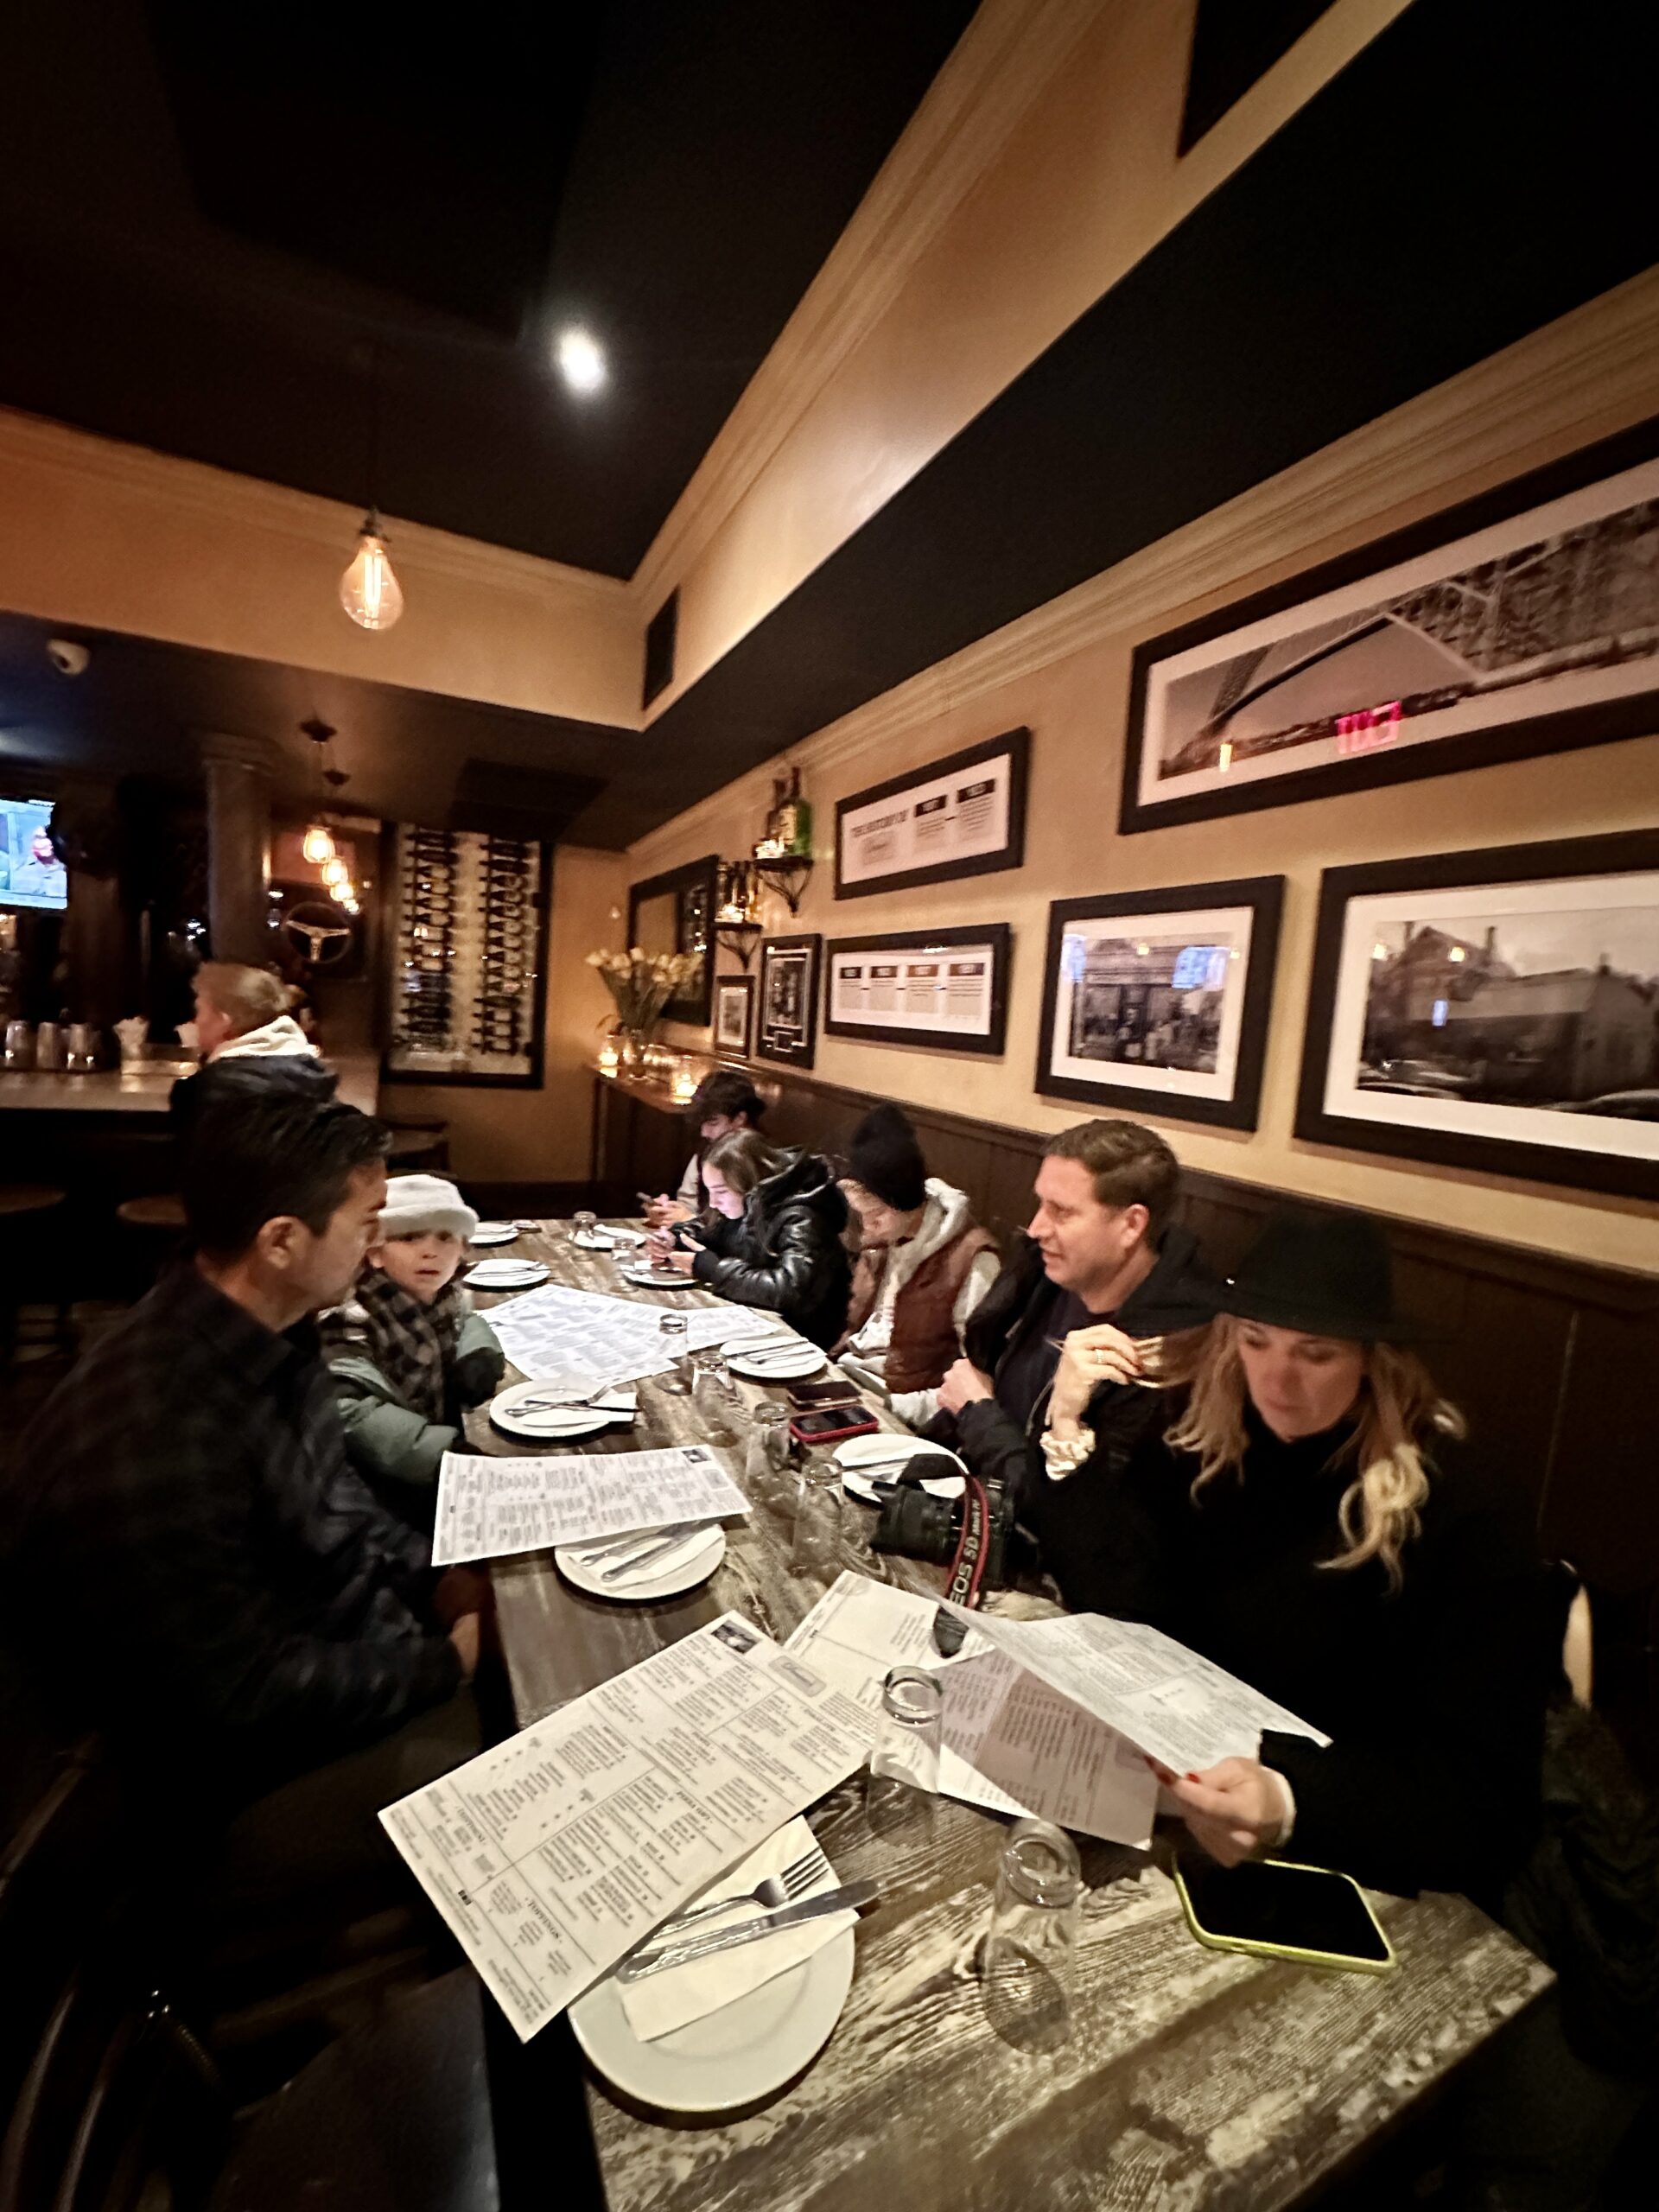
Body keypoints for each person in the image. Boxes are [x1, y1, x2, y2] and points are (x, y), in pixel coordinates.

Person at [0, 1091, 480, 1878]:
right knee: (559, 1739)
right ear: (282, 1241)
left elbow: (336, 1503)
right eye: (366, 1225)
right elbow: (240, 1693)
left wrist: (439, 1575)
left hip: (345, 1653)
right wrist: (447, 1666)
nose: (374, 1250)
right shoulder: (158, 1431)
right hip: (227, 1792)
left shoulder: (268, 1333)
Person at [1039, 1206, 1548, 1904]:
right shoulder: (1202, 1429)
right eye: (1256, 1340)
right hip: (1173, 1810)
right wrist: (1066, 1428)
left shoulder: (1463, 1508)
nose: (1276, 1381)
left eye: (1316, 1353)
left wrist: (1288, 1800)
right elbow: (1126, 1598)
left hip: (1353, 1864)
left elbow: (1488, 1809)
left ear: (1372, 1357)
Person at [931, 1119, 1216, 1516]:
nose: (1035, 1228)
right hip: (969, 1495)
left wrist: (977, 1413)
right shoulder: (1046, 1273)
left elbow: (1072, 1521)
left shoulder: (1167, 1353)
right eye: (1041, 1204)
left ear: (1131, 1224)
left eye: (1061, 1212)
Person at [319, 1173, 505, 1532]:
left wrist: (475, 1352)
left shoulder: (443, 1291)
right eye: (408, 1237)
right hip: (381, 1481)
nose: (430, 1250)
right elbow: (352, 1410)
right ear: (373, 1253)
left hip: (429, 1435)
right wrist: (437, 1452)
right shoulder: (354, 1315)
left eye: (445, 1237)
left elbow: (463, 1319)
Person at [833, 1103, 1001, 1425]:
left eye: (877, 1214)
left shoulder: (972, 1261)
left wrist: (890, 1408)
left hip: (902, 1411)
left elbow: (976, 1384)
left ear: (906, 1201)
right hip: (852, 1380)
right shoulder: (886, 1240)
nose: (867, 1227)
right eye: (861, 1214)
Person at [645, 1128, 850, 1349]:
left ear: (750, 1182)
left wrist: (714, 1271)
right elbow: (710, 1229)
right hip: (754, 1322)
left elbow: (789, 1289)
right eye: (709, 1192)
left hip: (799, 1339)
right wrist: (674, 1239)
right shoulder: (747, 1202)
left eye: (721, 1192)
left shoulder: (802, 1214)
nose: (713, 1203)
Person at [642, 1068, 766, 1227]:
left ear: (740, 1118)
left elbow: (748, 1237)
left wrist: (691, 1221)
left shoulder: (762, 1165)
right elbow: (688, 1205)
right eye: (702, 1122)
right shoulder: (705, 1155)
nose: (704, 1132)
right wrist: (668, 1212)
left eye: (713, 1122)